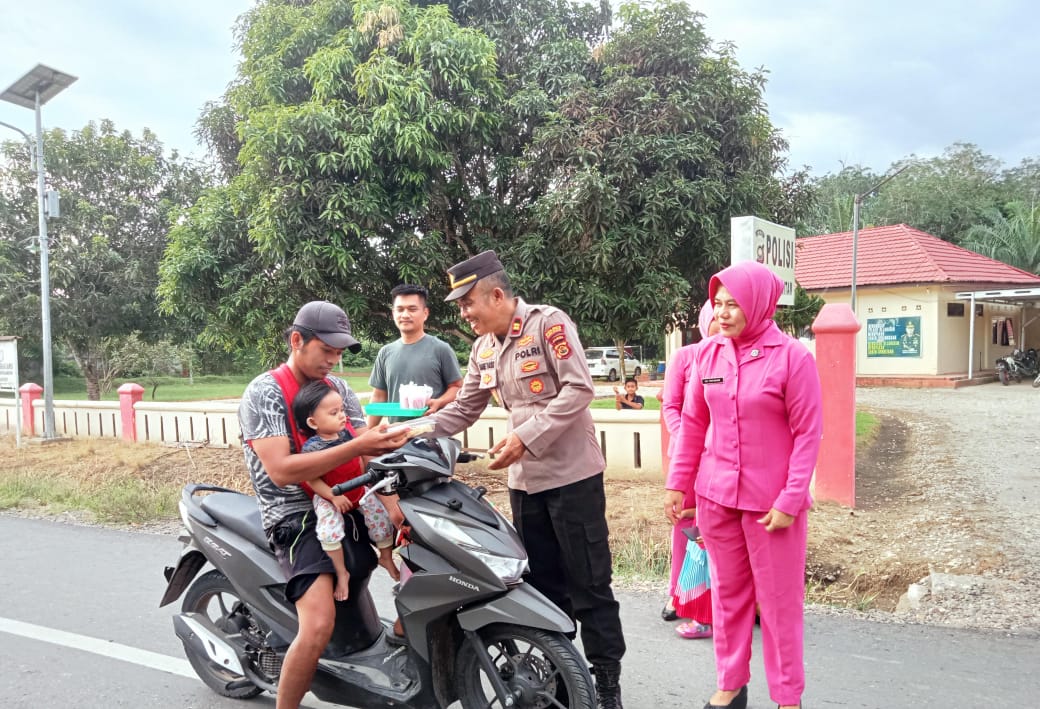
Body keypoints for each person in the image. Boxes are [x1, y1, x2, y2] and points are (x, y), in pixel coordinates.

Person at [429, 250, 626, 709]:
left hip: (573, 478)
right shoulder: (482, 348)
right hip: (525, 485)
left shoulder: (548, 325)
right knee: (541, 585)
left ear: (496, 294)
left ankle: (607, 683)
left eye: (467, 304)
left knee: (590, 584)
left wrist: (524, 437)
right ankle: (560, 675)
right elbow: (464, 410)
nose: (463, 314)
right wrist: (411, 430)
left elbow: (580, 388)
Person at [663, 262, 822, 709]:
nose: (724, 313)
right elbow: (693, 425)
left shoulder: (792, 358)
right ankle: (731, 684)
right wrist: (681, 486)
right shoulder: (709, 355)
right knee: (728, 600)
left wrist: (791, 500)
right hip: (716, 500)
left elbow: (809, 435)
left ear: (758, 303)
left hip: (772, 507)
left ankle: (788, 697)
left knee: (777, 607)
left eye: (733, 304)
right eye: (718, 304)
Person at [239, 300, 409, 709]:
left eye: (338, 352)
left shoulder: (340, 390)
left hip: (349, 498)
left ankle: (403, 638)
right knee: (317, 626)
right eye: (326, 350)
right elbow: (280, 469)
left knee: (423, 536)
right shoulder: (265, 392)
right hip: (295, 515)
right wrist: (360, 444)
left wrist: (392, 501)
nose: (334, 360)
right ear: (297, 341)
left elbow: (364, 454)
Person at [292, 380, 400, 599]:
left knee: (380, 517)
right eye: (334, 413)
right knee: (330, 530)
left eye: (342, 410)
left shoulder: (346, 435)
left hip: (357, 489)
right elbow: (313, 479)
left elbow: (359, 457)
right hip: (330, 494)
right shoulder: (312, 448)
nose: (342, 415)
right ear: (313, 422)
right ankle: (342, 572)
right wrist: (333, 496)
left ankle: (386, 555)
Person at [660, 302, 718, 637]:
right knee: (684, 523)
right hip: (687, 454)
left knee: (714, 527)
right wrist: (688, 441)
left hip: (721, 458)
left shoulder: (735, 356)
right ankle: (678, 595)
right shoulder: (685, 357)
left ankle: (715, 601)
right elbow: (671, 405)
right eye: (713, 320)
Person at [367, 283, 463, 427]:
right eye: (400, 310)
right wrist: (368, 434)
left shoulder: (441, 349)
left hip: (434, 436)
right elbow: (379, 396)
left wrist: (440, 402)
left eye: (412, 309)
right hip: (396, 436)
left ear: (425, 313)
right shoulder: (385, 352)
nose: (405, 315)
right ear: (393, 314)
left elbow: (457, 387)